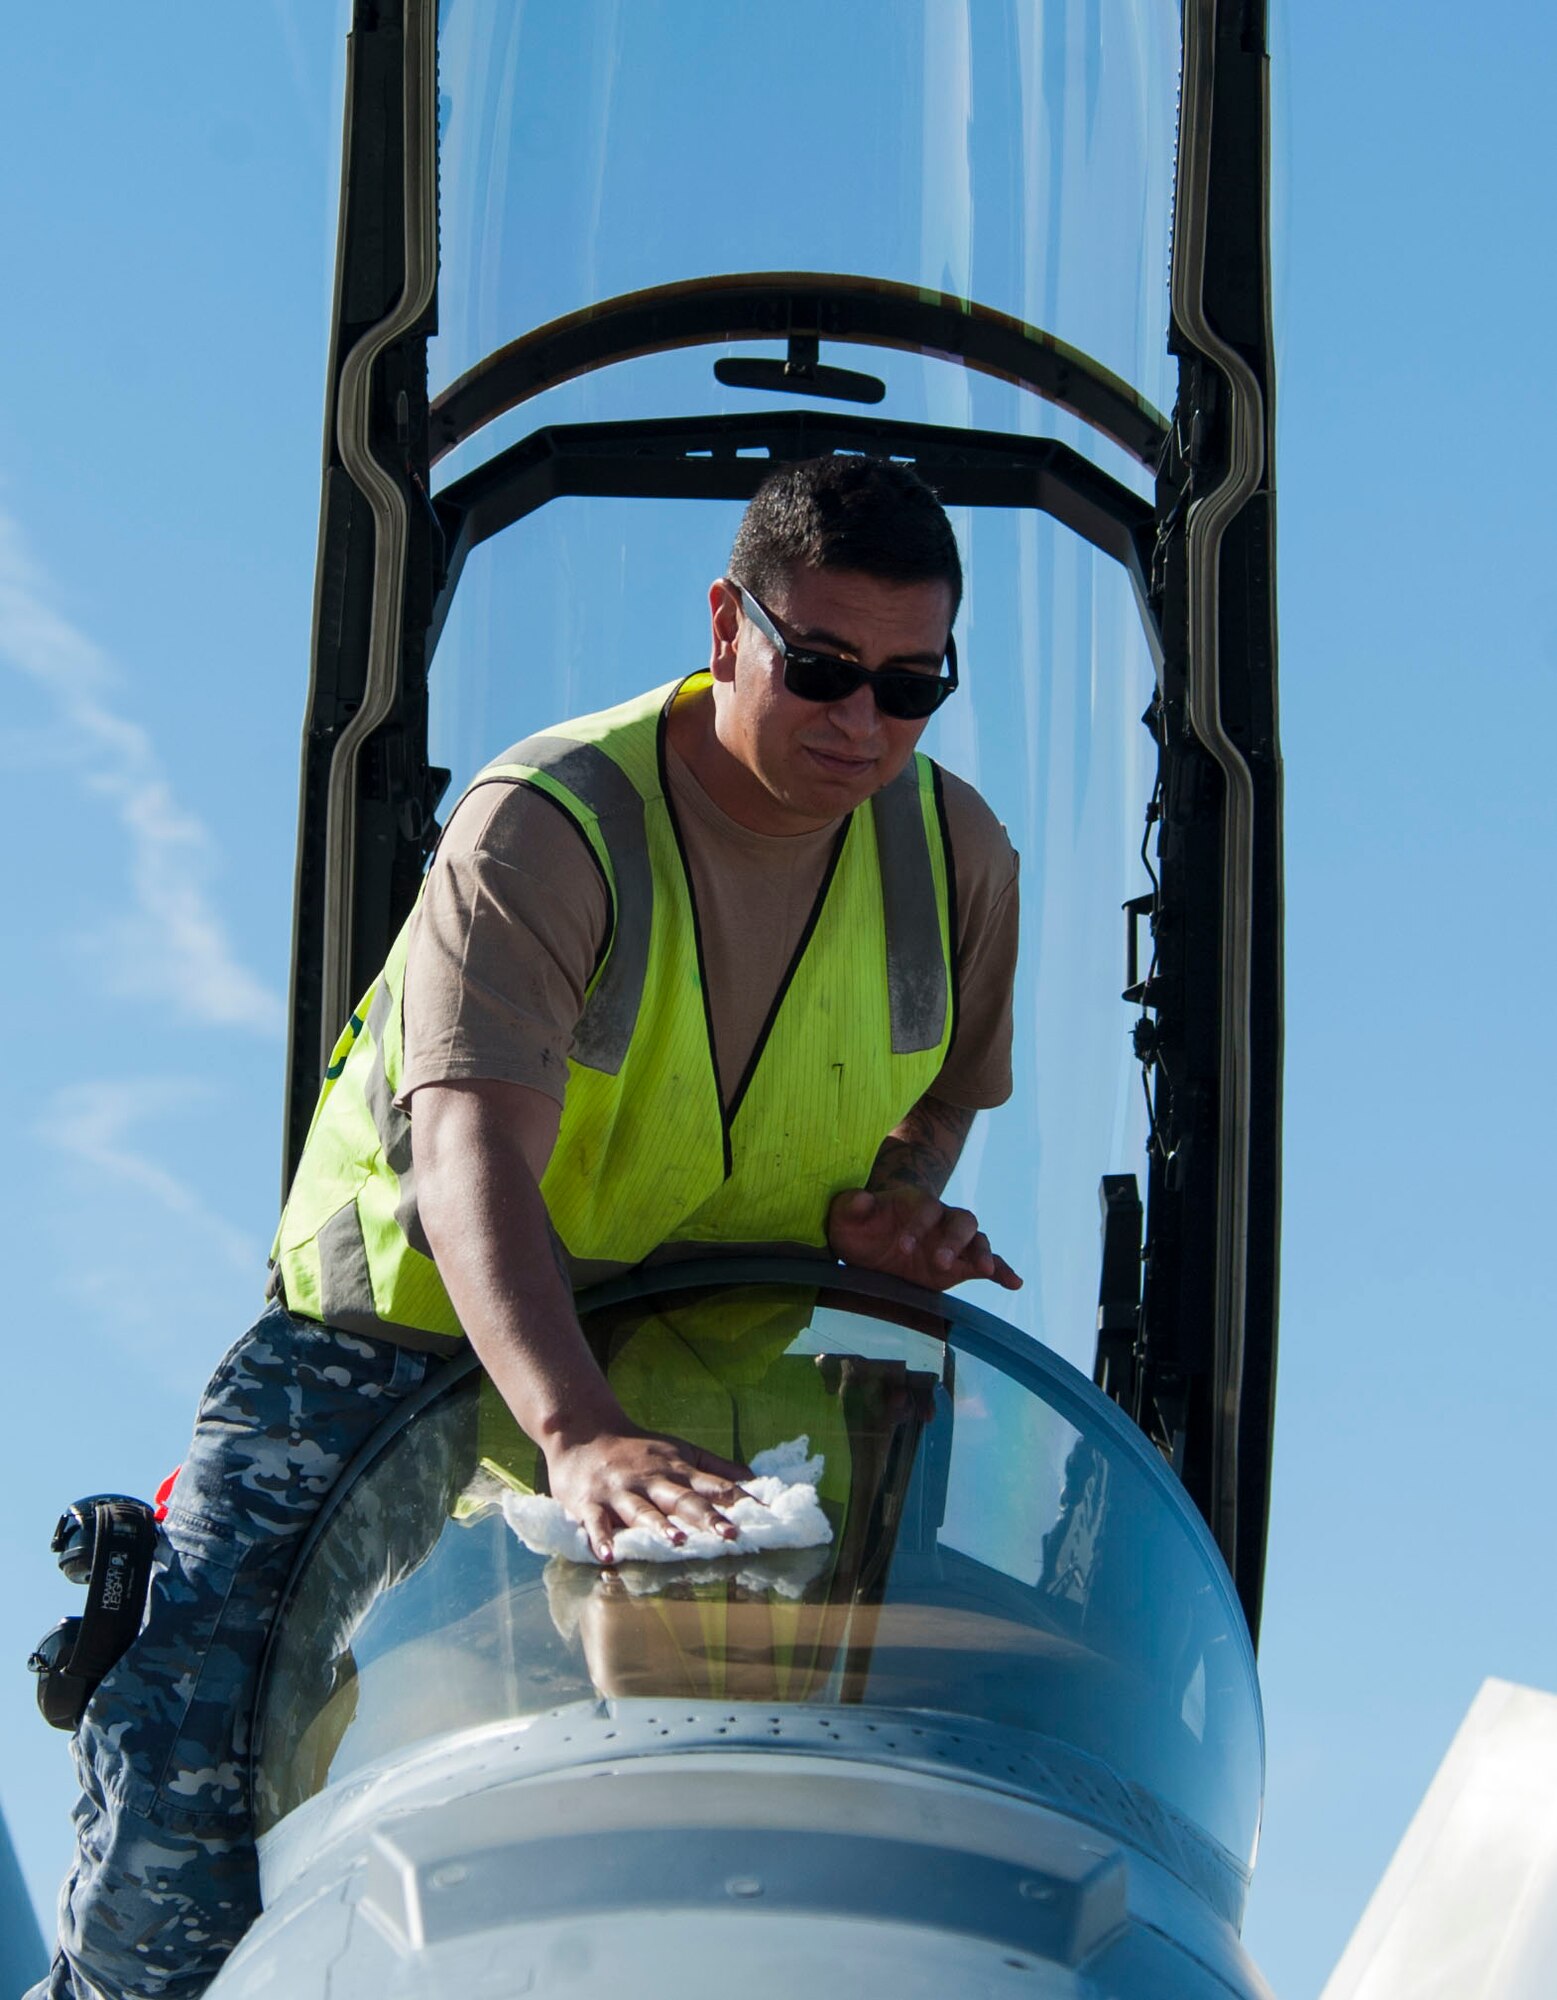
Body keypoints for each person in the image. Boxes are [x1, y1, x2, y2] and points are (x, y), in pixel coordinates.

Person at [33, 455, 1020, 2000]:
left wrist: (892, 1211)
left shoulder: (951, 858)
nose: (861, 727)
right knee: (191, 1747)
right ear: (724, 623)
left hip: (699, 1340)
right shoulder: (549, 825)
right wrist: (576, 1432)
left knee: (785, 1792)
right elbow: (467, 1162)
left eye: (911, 688)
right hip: (401, 1334)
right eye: (820, 669)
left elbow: (937, 1103)